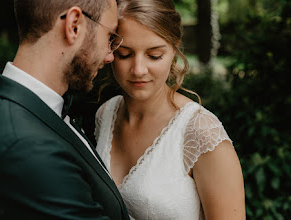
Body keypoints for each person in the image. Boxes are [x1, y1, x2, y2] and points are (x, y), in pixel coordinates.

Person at [0, 0, 130, 219]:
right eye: (109, 36)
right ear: (74, 25)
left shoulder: (11, 99)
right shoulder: (29, 150)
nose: (110, 55)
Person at [94, 0, 246, 219]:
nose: (138, 70)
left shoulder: (202, 133)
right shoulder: (106, 114)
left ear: (175, 48)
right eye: (124, 54)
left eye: (154, 55)